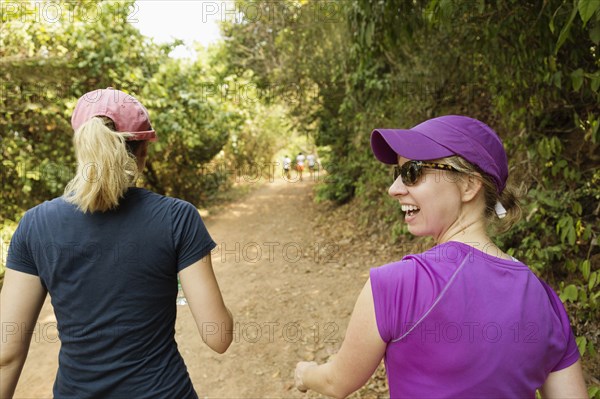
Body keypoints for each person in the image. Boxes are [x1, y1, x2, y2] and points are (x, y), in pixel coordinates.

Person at [294, 115, 587, 398]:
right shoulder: (544, 298)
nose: (393, 189)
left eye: (412, 173)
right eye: (398, 174)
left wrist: (306, 373)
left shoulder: (397, 285)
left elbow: (336, 382)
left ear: (468, 185)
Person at [0, 88, 233, 398]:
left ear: (82, 148)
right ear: (142, 154)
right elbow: (218, 337)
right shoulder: (177, 218)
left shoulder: (35, 225)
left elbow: (5, 354)